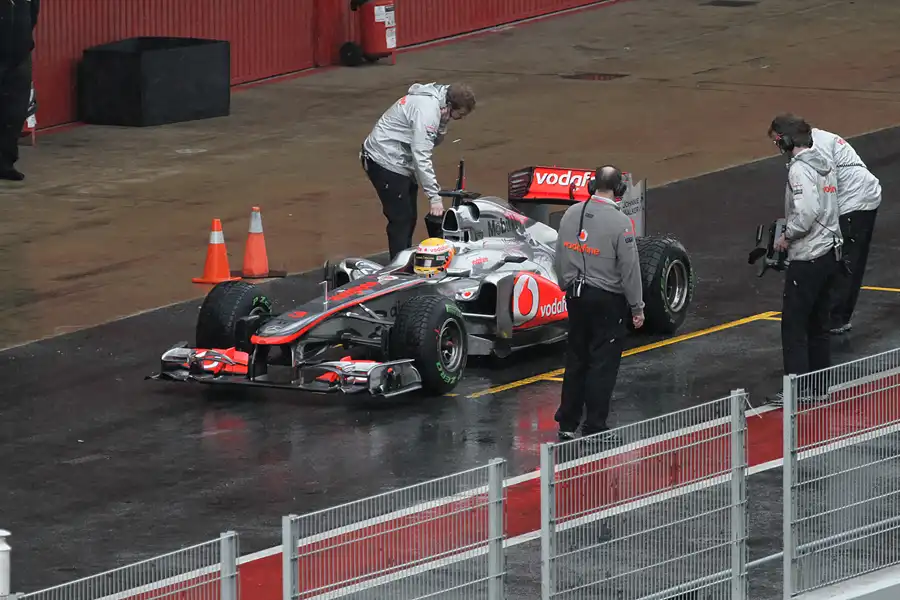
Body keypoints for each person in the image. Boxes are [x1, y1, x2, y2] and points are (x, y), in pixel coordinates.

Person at [553, 165, 644, 443]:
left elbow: (559, 255)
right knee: (602, 364)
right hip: (607, 301)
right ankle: (594, 426)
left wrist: (565, 285)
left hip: (576, 297)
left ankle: (567, 423)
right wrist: (637, 306)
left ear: (592, 186)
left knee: (577, 359)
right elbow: (629, 268)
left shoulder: (570, 213)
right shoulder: (620, 223)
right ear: (619, 190)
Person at [767, 115, 843, 404]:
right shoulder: (824, 160)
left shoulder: (799, 170)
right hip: (829, 253)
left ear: (786, 140)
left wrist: (787, 234)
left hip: (808, 256)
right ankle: (820, 387)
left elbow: (806, 213)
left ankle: (796, 392)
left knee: (794, 326)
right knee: (819, 324)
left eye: (777, 140)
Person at [360, 82, 476, 260]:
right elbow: (421, 155)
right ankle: (397, 267)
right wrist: (434, 198)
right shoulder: (428, 112)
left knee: (409, 217)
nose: (459, 119)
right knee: (401, 219)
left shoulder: (440, 101)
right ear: (451, 106)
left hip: (401, 161)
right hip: (384, 160)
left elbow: (430, 142)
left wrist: (443, 124)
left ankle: (402, 260)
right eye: (459, 115)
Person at [0, 0, 40, 181]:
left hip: (19, 57)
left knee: (14, 112)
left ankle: (4, 164)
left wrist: (23, 43)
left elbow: (33, 14)